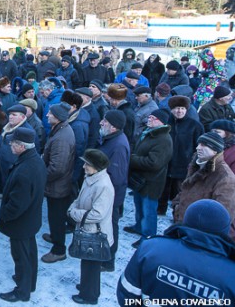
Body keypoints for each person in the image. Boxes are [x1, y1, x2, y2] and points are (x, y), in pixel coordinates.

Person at [117, 199, 235, 303]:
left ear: (186, 221)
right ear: (225, 231)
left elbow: (126, 292)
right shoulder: (231, 273)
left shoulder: (151, 248)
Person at [0, 127, 46, 303]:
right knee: (29, 252)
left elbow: (18, 203)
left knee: (21, 257)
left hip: (21, 222)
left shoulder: (26, 169)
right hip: (30, 220)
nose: (10, 145)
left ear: (21, 146)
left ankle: (22, 291)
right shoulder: (34, 160)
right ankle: (28, 282)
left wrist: (5, 216)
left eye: (13, 143)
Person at [68, 149, 114, 305]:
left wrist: (75, 214)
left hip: (94, 234)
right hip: (89, 232)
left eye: (87, 164)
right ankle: (87, 287)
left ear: (96, 166)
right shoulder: (91, 178)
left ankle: (89, 296)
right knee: (87, 263)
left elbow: (97, 214)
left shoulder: (103, 185)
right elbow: (80, 198)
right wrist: (73, 207)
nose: (83, 167)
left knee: (92, 266)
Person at [173, 132, 235, 241]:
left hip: (200, 237)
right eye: (198, 144)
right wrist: (177, 208)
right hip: (184, 228)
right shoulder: (197, 165)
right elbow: (185, 190)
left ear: (215, 150)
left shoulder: (225, 177)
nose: (198, 148)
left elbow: (223, 215)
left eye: (204, 145)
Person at [125, 109, 173, 248]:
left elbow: (154, 163)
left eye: (153, 118)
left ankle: (148, 237)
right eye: (149, 117)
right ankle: (139, 227)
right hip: (140, 180)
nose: (149, 120)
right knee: (139, 205)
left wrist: (132, 159)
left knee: (149, 211)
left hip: (152, 182)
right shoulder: (149, 132)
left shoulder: (164, 139)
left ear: (161, 122)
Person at [41, 102, 76, 263]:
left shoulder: (61, 138)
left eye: (50, 114)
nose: (47, 115)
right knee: (55, 217)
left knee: (56, 218)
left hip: (58, 187)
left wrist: (42, 177)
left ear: (58, 118)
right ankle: (56, 236)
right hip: (58, 185)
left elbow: (58, 168)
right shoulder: (60, 130)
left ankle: (58, 249)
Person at [159, 96, 203, 216]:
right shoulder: (166, 124)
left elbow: (198, 146)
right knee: (163, 189)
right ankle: (160, 209)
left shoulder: (195, 126)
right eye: (177, 108)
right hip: (166, 164)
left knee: (180, 192)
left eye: (182, 108)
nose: (179, 111)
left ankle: (177, 214)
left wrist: (193, 163)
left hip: (184, 165)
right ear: (171, 109)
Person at [98, 110, 130, 272]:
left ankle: (108, 261)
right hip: (107, 195)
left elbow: (116, 177)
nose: (101, 123)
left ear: (113, 127)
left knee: (110, 227)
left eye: (105, 121)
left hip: (110, 197)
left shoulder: (118, 145)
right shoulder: (112, 139)